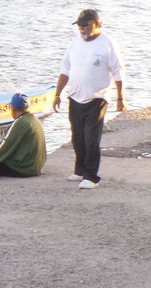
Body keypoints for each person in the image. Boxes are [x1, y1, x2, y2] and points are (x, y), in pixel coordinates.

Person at [54, 8, 124, 188]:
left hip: (97, 97)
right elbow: (65, 69)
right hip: (75, 96)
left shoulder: (107, 43)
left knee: (91, 139)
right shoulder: (75, 43)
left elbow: (117, 71)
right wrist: (57, 94)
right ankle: (79, 170)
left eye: (86, 25)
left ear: (97, 24)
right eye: (80, 26)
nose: (82, 29)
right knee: (77, 138)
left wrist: (120, 98)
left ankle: (91, 177)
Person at [0, 93, 47, 177]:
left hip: (24, 168)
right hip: (36, 166)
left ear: (13, 108)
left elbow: (5, 145)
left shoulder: (20, 122)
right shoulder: (35, 119)